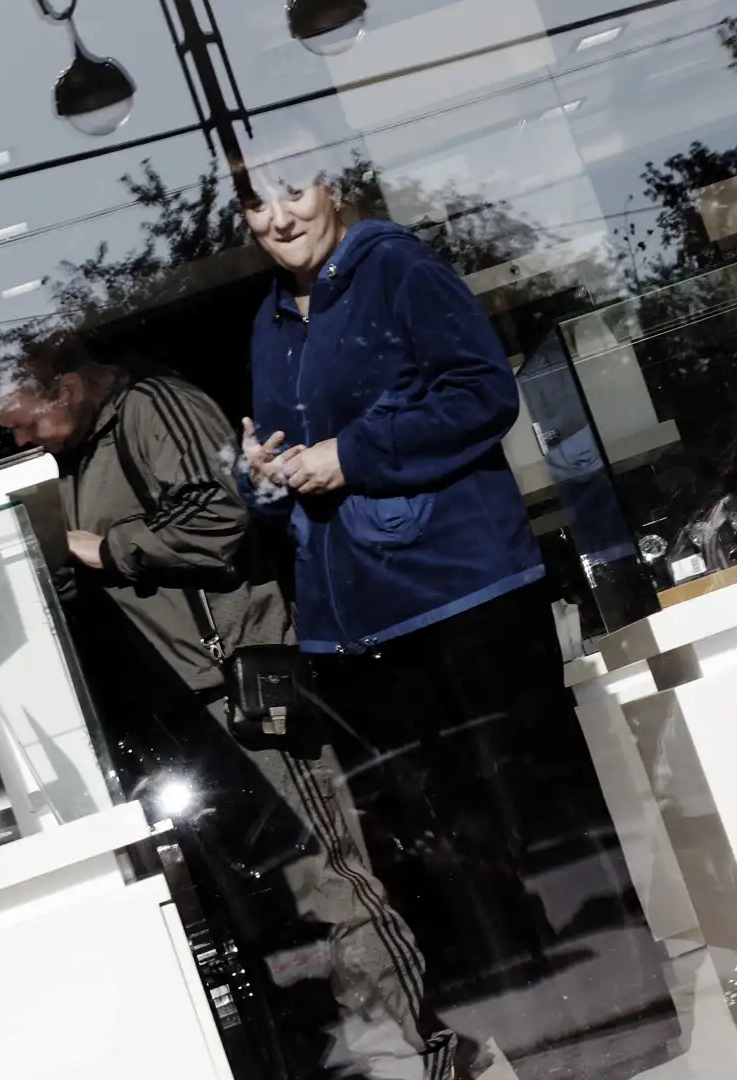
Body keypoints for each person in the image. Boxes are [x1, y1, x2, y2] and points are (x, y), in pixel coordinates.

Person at [236, 141, 678, 1070]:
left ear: (330, 186)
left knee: (538, 823)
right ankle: (537, 1048)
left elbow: (482, 393)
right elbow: (286, 461)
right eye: (255, 205)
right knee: (442, 853)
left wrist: (353, 455)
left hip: (462, 596)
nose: (278, 218)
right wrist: (263, 478)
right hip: (357, 631)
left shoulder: (395, 267)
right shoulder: (269, 323)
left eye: (292, 191)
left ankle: (618, 1042)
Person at [0, 337, 474, 1080]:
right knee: (284, 898)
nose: (21, 441)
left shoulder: (153, 408)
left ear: (67, 387)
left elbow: (221, 518)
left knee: (326, 878)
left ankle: (420, 1056)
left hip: (239, 684)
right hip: (188, 703)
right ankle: (375, 1055)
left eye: (25, 424)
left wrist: (103, 548)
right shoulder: (83, 449)